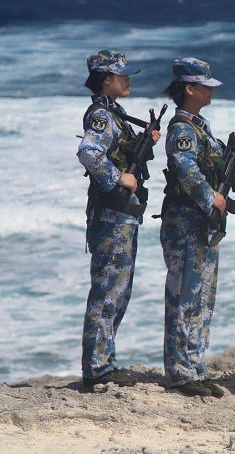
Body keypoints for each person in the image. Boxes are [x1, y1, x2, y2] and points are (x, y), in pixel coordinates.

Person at [160, 58, 235, 397]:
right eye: (205, 85)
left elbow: (208, 163)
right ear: (189, 88)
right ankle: (181, 371)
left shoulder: (199, 126)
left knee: (202, 298)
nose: (210, 90)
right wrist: (211, 197)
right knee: (184, 296)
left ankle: (195, 366)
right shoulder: (182, 129)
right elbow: (185, 169)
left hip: (201, 224)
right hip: (185, 222)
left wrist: (232, 152)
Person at [77, 50, 161, 390]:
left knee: (118, 291)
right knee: (108, 290)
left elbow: (117, 151)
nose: (128, 81)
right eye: (122, 75)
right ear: (107, 78)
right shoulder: (101, 115)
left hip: (122, 215)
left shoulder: (115, 113)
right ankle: (97, 367)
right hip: (111, 216)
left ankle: (105, 362)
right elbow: (89, 152)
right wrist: (118, 178)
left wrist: (144, 142)